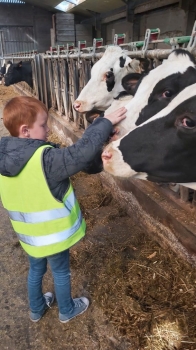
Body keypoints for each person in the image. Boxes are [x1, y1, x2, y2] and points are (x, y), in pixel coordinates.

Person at [0, 96, 126, 323]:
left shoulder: (4, 158)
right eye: (43, 125)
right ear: (26, 131)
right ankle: (66, 309)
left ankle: (36, 309)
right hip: (53, 236)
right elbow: (81, 153)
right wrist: (104, 122)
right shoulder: (46, 160)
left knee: (36, 270)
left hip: (28, 237)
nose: (48, 129)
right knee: (60, 271)